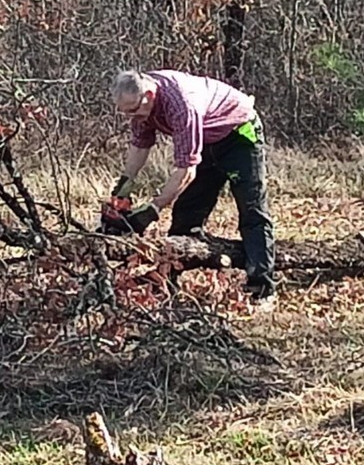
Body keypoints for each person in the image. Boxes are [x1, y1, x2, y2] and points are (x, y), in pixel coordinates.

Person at [108, 68, 276, 305]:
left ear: (149, 95)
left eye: (133, 110)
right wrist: (124, 186)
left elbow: (186, 170)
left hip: (239, 135)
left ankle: (262, 290)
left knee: (252, 213)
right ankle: (167, 284)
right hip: (205, 141)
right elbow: (140, 145)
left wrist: (153, 209)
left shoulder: (181, 104)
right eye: (125, 112)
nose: (131, 117)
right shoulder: (140, 107)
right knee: (186, 214)